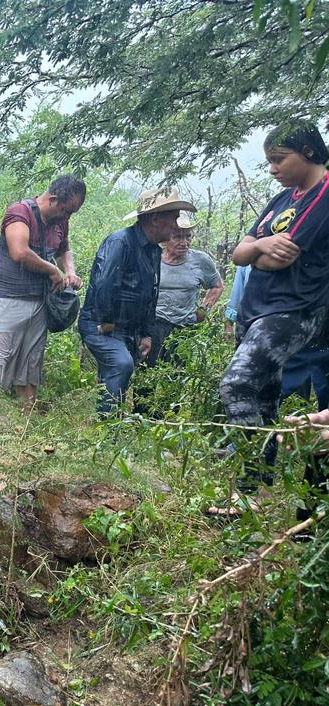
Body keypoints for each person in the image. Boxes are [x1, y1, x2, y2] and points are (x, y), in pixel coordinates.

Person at [214, 120, 329, 511]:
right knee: (263, 396)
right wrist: (261, 244)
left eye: (279, 159)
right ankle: (257, 492)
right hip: (256, 308)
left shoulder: (325, 195)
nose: (273, 169)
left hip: (292, 310)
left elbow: (278, 261)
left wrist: (257, 254)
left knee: (236, 385)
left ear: (309, 152)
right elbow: (241, 254)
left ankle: (249, 484)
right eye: (268, 162)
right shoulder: (283, 200)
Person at [78, 187, 196, 414]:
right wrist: (107, 320)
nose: (176, 224)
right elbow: (104, 284)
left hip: (130, 329)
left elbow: (151, 294)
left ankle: (112, 429)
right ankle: (107, 430)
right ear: (154, 218)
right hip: (101, 325)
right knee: (121, 364)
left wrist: (146, 333)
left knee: (120, 373)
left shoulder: (153, 251)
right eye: (172, 217)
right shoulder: (120, 243)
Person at [0, 174, 86, 408]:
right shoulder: (20, 213)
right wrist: (52, 271)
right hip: (8, 301)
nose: (67, 217)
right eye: (66, 211)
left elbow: (64, 248)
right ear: (53, 199)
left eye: (72, 213)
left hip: (40, 304)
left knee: (30, 369)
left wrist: (69, 270)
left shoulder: (60, 222)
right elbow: (19, 252)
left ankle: (25, 428)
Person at [225, 263, 329, 409]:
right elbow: (239, 294)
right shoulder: (254, 255)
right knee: (266, 388)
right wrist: (230, 324)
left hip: (308, 332)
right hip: (268, 335)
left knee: (316, 385)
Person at [143, 213, 223, 367]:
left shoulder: (201, 260)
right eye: (177, 237)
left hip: (184, 327)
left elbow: (217, 285)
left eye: (188, 237)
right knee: (147, 373)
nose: (184, 242)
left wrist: (203, 309)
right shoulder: (152, 257)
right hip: (154, 325)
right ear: (166, 239)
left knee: (177, 373)